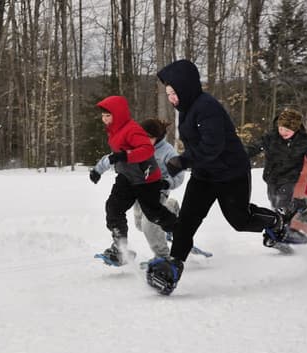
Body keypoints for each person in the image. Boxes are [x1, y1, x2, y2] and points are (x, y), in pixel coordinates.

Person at [149, 59, 286, 295]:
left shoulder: (207, 107)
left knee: (240, 220)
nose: (171, 98)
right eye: (168, 93)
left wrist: (183, 160)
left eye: (173, 92)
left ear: (185, 88)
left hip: (231, 174)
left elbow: (212, 146)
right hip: (204, 175)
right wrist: (187, 160)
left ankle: (276, 221)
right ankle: (174, 265)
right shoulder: (187, 109)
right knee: (187, 221)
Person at [89, 96, 177, 266]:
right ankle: (120, 248)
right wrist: (98, 170)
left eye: (108, 115)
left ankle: (174, 238)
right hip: (128, 179)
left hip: (150, 182)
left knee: (151, 218)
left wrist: (126, 156)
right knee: (117, 210)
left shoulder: (136, 132)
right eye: (103, 115)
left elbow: (149, 152)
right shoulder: (115, 132)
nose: (104, 119)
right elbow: (113, 156)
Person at [246, 108, 307, 231]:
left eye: (287, 130)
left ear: (295, 129)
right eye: (281, 128)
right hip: (271, 176)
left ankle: (284, 230)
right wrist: (236, 155)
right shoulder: (270, 138)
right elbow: (253, 148)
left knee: (282, 203)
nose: (283, 132)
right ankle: (301, 205)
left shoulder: (305, 140)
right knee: (274, 202)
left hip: (290, 176)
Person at [132, 119, 184, 263]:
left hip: (158, 191)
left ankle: (163, 257)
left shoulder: (168, 152)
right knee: (139, 225)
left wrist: (165, 183)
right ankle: (171, 210)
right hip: (140, 191)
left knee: (149, 224)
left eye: (149, 137)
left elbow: (179, 175)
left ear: (158, 137)